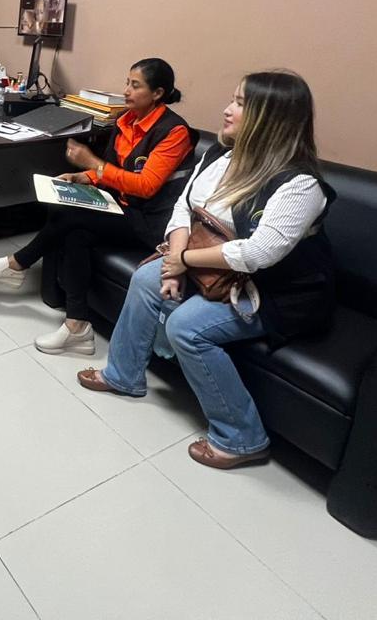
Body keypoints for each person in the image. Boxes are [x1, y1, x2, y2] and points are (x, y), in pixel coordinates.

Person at [77, 70, 335, 470]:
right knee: (146, 278)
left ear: (271, 118)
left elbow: (258, 253)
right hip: (213, 270)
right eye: (233, 99)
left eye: (241, 103)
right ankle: (123, 375)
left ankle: (243, 438)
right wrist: (173, 263)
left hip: (274, 291)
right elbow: (185, 207)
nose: (227, 110)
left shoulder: (300, 185)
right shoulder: (221, 156)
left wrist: (183, 262)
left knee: (188, 328)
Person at [0, 58, 196, 355]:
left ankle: (18, 263)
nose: (126, 91)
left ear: (157, 93)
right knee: (75, 232)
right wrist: (83, 177)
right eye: (127, 83)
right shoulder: (126, 120)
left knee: (71, 215)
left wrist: (92, 162)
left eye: (135, 85)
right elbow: (112, 169)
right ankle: (77, 326)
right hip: (121, 205)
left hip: (150, 221)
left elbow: (146, 185)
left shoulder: (174, 132)